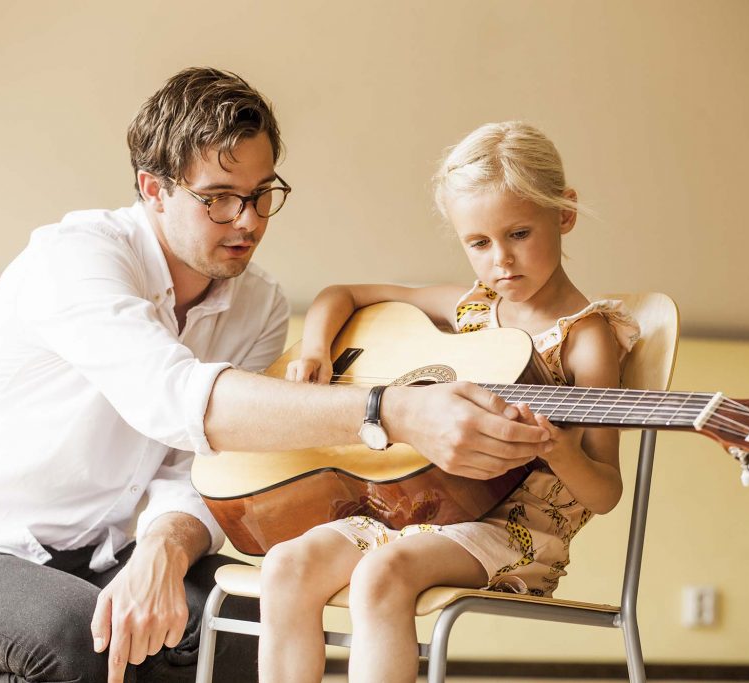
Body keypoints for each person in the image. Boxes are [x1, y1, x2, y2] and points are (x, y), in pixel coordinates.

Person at [0, 71, 554, 683]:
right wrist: (388, 410)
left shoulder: (258, 303)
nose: (247, 221)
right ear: (154, 189)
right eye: (219, 198)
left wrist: (165, 546)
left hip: (100, 555)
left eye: (261, 194)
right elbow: (173, 398)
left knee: (246, 627)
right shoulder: (74, 258)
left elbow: (209, 465)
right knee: (77, 638)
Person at [261, 121, 642, 683]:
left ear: (564, 215)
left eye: (518, 233)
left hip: (515, 530)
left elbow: (605, 492)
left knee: (380, 575)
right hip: (423, 506)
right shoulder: (469, 310)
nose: (500, 261)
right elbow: (341, 295)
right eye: (479, 243)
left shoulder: (585, 340)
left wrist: (558, 450)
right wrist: (316, 348)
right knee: (286, 565)